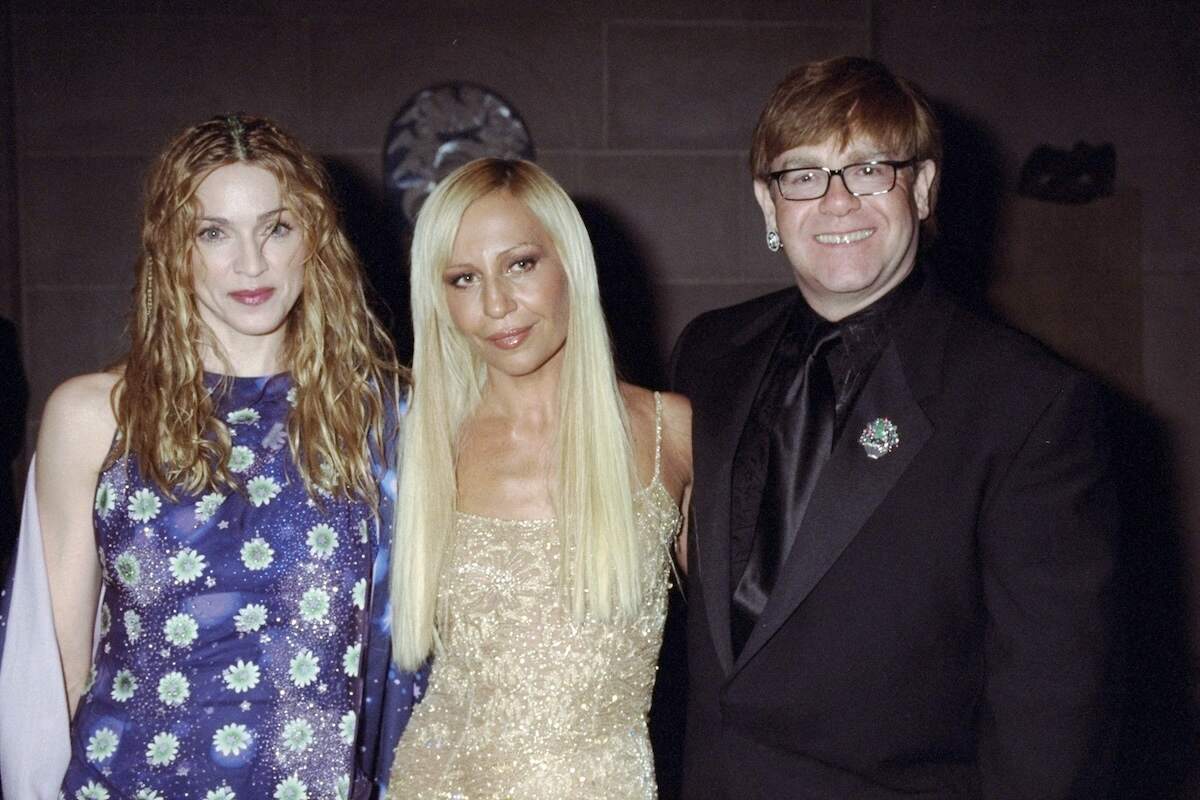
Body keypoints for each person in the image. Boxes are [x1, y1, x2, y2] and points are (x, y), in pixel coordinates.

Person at [670, 57, 1118, 799]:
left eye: (870, 169)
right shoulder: (708, 354)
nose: (837, 202)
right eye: (803, 175)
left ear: (924, 187)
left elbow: (1054, 707)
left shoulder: (1025, 401)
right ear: (766, 202)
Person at [0, 114, 418, 799]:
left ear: (314, 237)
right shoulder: (95, 415)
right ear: (173, 249)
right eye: (213, 232)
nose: (250, 263)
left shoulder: (387, 418)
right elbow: (51, 670)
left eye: (276, 228)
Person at [384, 158, 692, 799]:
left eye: (520, 264)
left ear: (569, 264)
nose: (497, 305)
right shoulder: (421, 444)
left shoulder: (672, 433)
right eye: (463, 278)